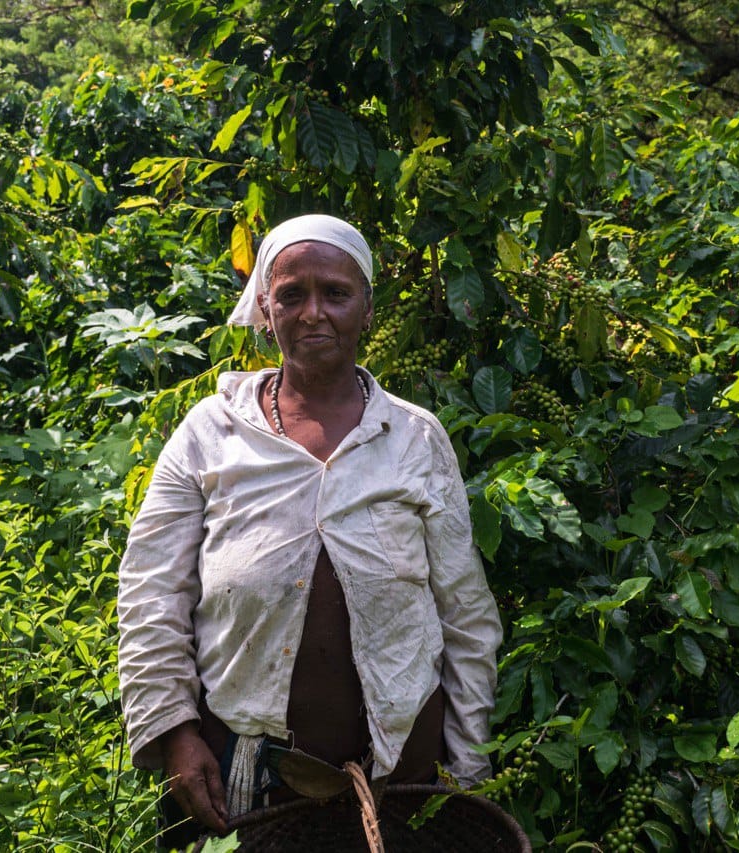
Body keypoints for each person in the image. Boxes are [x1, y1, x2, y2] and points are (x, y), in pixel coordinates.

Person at [117, 213, 502, 842]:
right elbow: (150, 595)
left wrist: (467, 768)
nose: (313, 313)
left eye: (336, 293)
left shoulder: (415, 438)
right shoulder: (211, 434)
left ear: (368, 308)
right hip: (252, 774)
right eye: (292, 295)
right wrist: (176, 735)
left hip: (403, 771)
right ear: (266, 309)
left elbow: (465, 617)